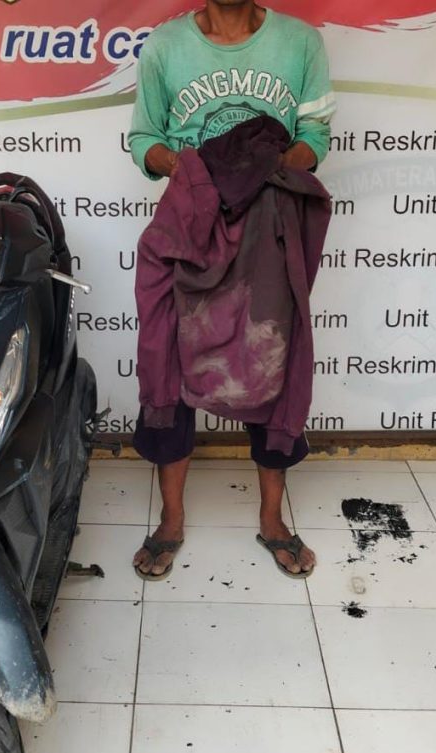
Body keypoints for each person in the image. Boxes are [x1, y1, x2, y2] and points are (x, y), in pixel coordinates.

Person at [127, 0, 335, 579]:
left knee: (269, 355)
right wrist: (195, 171)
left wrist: (262, 168)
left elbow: (314, 135)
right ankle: (171, 519)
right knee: (167, 354)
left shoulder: (300, 43)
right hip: (189, 218)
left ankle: (272, 519)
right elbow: (144, 140)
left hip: (269, 222)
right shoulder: (166, 47)